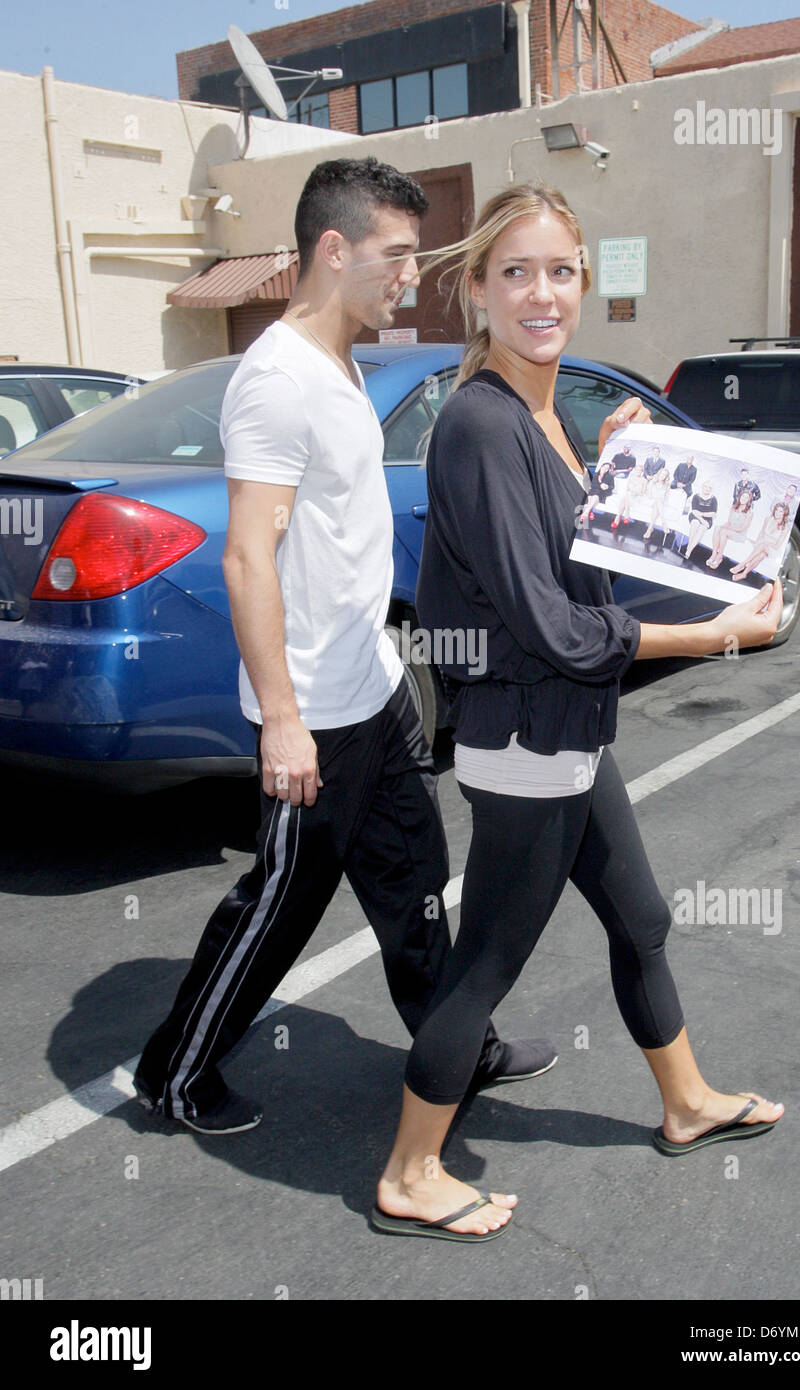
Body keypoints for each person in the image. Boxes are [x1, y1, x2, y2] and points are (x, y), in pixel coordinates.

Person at [371, 183, 783, 1243]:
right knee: (484, 967)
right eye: (513, 272)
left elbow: (572, 554)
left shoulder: (547, 417)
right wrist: (718, 632)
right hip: (524, 739)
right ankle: (412, 1169)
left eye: (559, 270)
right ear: (474, 289)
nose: (539, 292)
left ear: (583, 283)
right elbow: (553, 626)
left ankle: (684, 1102)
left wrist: (619, 474)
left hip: (569, 734)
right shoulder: (478, 423)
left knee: (639, 919)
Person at [132, 157, 553, 1135]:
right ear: (333, 250)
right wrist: (280, 721)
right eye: (395, 255)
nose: (411, 275)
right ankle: (177, 1071)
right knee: (279, 900)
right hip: (313, 712)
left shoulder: (342, 362)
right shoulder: (275, 381)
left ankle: (458, 1042)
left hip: (371, 687)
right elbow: (246, 557)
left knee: (412, 875)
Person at [730, 502, 790, 581]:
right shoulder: (768, 519)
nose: (777, 513)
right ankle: (744, 574)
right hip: (762, 546)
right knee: (761, 555)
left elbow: (777, 546)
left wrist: (763, 542)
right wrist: (757, 542)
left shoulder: (785, 528)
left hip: (773, 549)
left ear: (784, 514)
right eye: (776, 510)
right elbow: (762, 532)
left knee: (763, 546)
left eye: (780, 511)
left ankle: (742, 564)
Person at [707, 489, 754, 569]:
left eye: (746, 498)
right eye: (743, 496)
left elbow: (743, 529)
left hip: (739, 534)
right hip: (730, 529)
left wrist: (728, 528)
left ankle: (719, 557)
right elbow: (729, 522)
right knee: (717, 528)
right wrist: (722, 526)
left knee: (724, 532)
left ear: (749, 500)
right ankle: (714, 554)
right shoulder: (733, 507)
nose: (744, 499)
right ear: (740, 497)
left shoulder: (750, 512)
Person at [577, 457, 615, 527]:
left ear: (608, 470)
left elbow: (612, 486)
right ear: (601, 466)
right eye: (604, 467)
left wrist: (607, 486)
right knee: (592, 494)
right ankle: (588, 512)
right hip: (593, 490)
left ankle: (585, 513)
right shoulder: (594, 474)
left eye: (607, 468)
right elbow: (592, 484)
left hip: (602, 492)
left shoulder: (609, 477)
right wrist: (600, 484)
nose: (605, 469)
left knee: (595, 495)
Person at [684, 480, 718, 558]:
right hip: (695, 516)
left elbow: (713, 514)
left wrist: (703, 515)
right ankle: (689, 544)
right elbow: (694, 510)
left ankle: (689, 550)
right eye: (706, 486)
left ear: (711, 490)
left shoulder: (713, 499)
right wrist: (702, 519)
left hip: (708, 519)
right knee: (695, 523)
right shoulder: (696, 496)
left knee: (702, 528)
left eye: (710, 488)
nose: (707, 489)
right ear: (702, 487)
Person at [642, 465, 671, 540]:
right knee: (657, 501)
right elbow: (649, 494)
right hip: (650, 500)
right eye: (661, 473)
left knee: (657, 505)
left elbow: (666, 497)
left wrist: (664, 503)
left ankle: (649, 530)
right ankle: (663, 523)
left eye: (664, 475)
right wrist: (655, 498)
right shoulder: (652, 482)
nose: (662, 476)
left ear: (666, 477)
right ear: (659, 474)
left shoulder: (667, 485)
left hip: (659, 504)